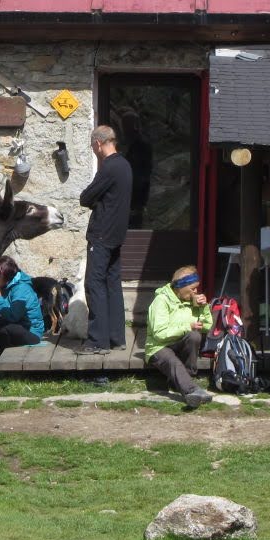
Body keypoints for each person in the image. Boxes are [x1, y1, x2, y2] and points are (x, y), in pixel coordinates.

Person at [78, 124, 132, 353]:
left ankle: (97, 341)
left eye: (93, 146)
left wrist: (94, 200)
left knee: (94, 284)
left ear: (98, 143)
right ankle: (116, 337)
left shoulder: (109, 167)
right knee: (112, 283)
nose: (93, 150)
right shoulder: (125, 165)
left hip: (101, 234)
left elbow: (86, 197)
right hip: (117, 234)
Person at [144, 266, 214, 408]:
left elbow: (206, 327)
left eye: (197, 288)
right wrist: (187, 326)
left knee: (194, 336)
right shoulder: (161, 301)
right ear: (180, 287)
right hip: (159, 346)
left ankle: (184, 381)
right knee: (172, 361)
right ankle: (191, 391)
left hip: (178, 343)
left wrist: (204, 307)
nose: (196, 292)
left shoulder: (191, 301)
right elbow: (159, 334)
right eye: (192, 288)